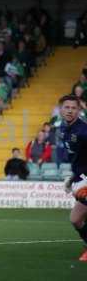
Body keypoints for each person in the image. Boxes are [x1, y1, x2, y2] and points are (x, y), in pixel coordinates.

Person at [60, 95, 87, 261]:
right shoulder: (64, 130)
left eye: (73, 108)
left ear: (79, 110)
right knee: (76, 220)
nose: (70, 110)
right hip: (80, 178)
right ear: (61, 110)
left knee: (78, 217)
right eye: (67, 107)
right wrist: (72, 176)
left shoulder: (83, 131)